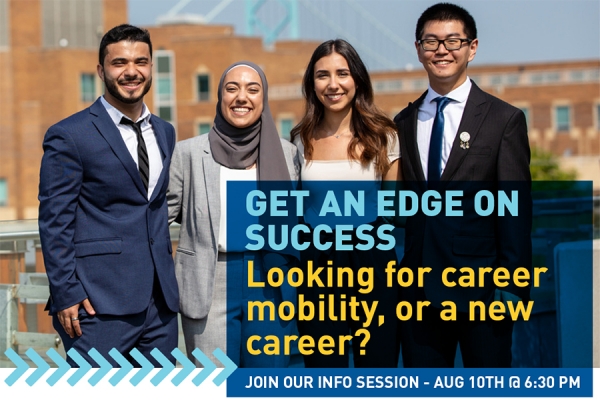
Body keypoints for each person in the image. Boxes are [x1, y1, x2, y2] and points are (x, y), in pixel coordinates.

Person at [393, 3, 532, 367]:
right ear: (418, 48)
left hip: (484, 288)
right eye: (431, 41)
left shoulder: (504, 119)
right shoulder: (403, 121)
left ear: (472, 47)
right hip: (418, 288)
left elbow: (515, 207)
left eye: (453, 40)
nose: (442, 50)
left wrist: (514, 283)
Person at [38, 24, 179, 367]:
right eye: (120, 63)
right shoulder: (70, 135)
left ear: (150, 68)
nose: (131, 72)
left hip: (160, 306)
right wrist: (65, 292)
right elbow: (55, 221)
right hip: (96, 307)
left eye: (140, 62)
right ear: (101, 70)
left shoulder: (165, 132)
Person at [167, 61, 300, 367]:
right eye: (232, 88)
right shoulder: (188, 153)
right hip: (208, 280)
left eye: (253, 89)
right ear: (220, 97)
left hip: (269, 279)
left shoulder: (287, 153)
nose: (242, 97)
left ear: (263, 99)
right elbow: (159, 221)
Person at [290, 39, 401, 368]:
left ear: (358, 80)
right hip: (317, 263)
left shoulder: (385, 136)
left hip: (374, 259)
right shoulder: (299, 139)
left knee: (377, 365)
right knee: (324, 369)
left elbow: (393, 212)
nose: (333, 84)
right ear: (312, 83)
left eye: (343, 73)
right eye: (323, 75)